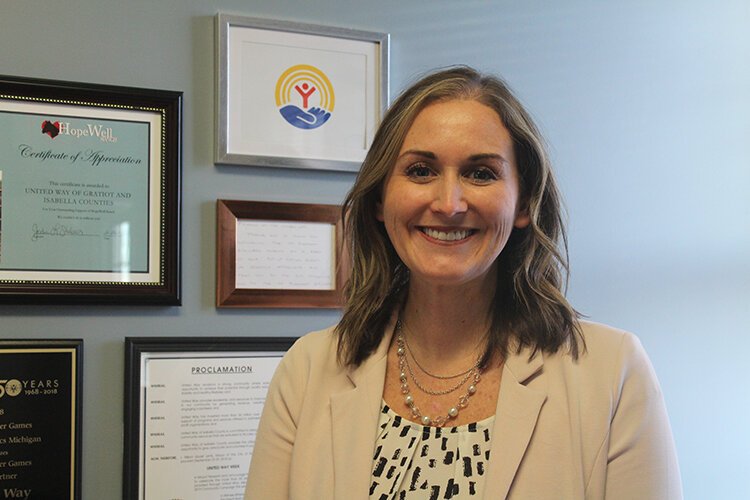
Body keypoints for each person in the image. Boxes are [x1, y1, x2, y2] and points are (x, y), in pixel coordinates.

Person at [244, 66, 682, 499]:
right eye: (420, 171)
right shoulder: (306, 372)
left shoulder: (612, 374)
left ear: (525, 204)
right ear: (380, 199)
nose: (449, 204)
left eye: (481, 173)